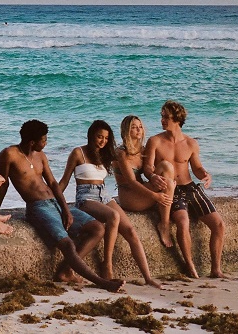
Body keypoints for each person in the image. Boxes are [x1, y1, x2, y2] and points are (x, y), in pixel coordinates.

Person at [0, 119, 124, 292]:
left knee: (98, 228)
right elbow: (4, 185)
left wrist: (66, 210)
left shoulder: (41, 156)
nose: (46, 143)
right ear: (32, 142)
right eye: (44, 140)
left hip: (55, 202)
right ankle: (102, 282)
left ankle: (65, 271)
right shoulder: (9, 154)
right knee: (67, 244)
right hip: (38, 207)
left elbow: (53, 184)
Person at [59, 120, 162, 288]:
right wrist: (55, 203)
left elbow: (128, 158)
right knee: (113, 216)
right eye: (99, 137)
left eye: (106, 138)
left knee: (130, 230)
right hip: (86, 197)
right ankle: (107, 267)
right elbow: (63, 182)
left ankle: (148, 277)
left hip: (104, 195)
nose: (102, 141)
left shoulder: (105, 154)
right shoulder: (78, 153)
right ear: (91, 135)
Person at [144, 101, 226, 278]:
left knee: (218, 224)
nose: (162, 120)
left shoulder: (190, 143)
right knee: (183, 222)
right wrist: (153, 176)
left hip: (190, 187)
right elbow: (148, 167)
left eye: (166, 117)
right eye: (162, 116)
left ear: (177, 119)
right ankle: (190, 266)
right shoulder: (155, 141)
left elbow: (196, 168)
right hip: (171, 189)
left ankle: (216, 269)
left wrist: (205, 174)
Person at [115, 115, 176, 248]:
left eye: (140, 127)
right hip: (129, 197)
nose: (138, 130)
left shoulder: (142, 150)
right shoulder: (121, 153)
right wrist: (155, 196)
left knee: (166, 166)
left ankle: (166, 208)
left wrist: (154, 177)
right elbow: (131, 181)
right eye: (134, 127)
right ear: (126, 131)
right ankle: (164, 225)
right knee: (169, 184)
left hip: (142, 191)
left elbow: (151, 170)